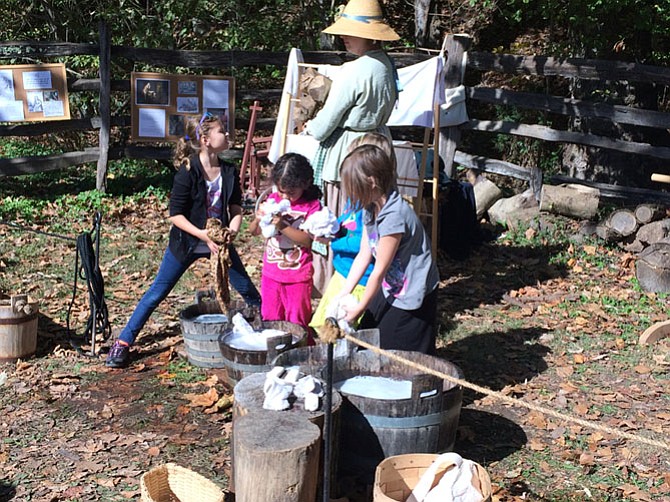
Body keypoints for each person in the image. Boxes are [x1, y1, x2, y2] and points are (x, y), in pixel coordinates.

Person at [106, 112, 261, 368]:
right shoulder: (187, 172)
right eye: (222, 131)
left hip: (220, 246)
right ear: (206, 139)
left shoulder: (229, 171)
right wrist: (202, 235)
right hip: (187, 242)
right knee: (157, 292)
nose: (228, 135)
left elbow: (235, 209)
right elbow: (175, 215)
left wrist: (231, 231)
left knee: (247, 291)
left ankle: (267, 333)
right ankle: (123, 342)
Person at [304, 0, 400, 295]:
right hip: (379, 150)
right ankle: (379, 287)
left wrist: (310, 127)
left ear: (370, 35)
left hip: (350, 154)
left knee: (341, 224)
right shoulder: (386, 65)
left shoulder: (355, 70)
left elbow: (326, 123)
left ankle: (332, 289)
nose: (344, 37)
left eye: (351, 32)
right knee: (374, 222)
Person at [337, 144, 439, 354]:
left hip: (412, 289)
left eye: (353, 186)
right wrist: (343, 294)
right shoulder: (370, 208)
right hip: (392, 284)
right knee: (369, 335)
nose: (349, 192)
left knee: (395, 345)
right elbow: (364, 256)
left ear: (371, 182)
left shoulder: (394, 217)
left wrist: (359, 308)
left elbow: (379, 270)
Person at [309, 132, 394, 331]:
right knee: (325, 327)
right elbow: (345, 224)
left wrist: (333, 243)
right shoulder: (355, 200)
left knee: (346, 331)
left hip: (362, 280)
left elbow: (361, 246)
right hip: (343, 274)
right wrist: (331, 229)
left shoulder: (374, 209)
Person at [252, 153, 322, 339]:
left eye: (291, 192)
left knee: (297, 321)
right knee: (271, 318)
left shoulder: (312, 207)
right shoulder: (273, 199)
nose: (285, 196)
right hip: (271, 274)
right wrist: (259, 218)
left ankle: (299, 357)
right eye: (282, 191)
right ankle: (274, 356)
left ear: (305, 183)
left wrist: (281, 225)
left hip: (298, 275)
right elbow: (254, 231)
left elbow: (307, 240)